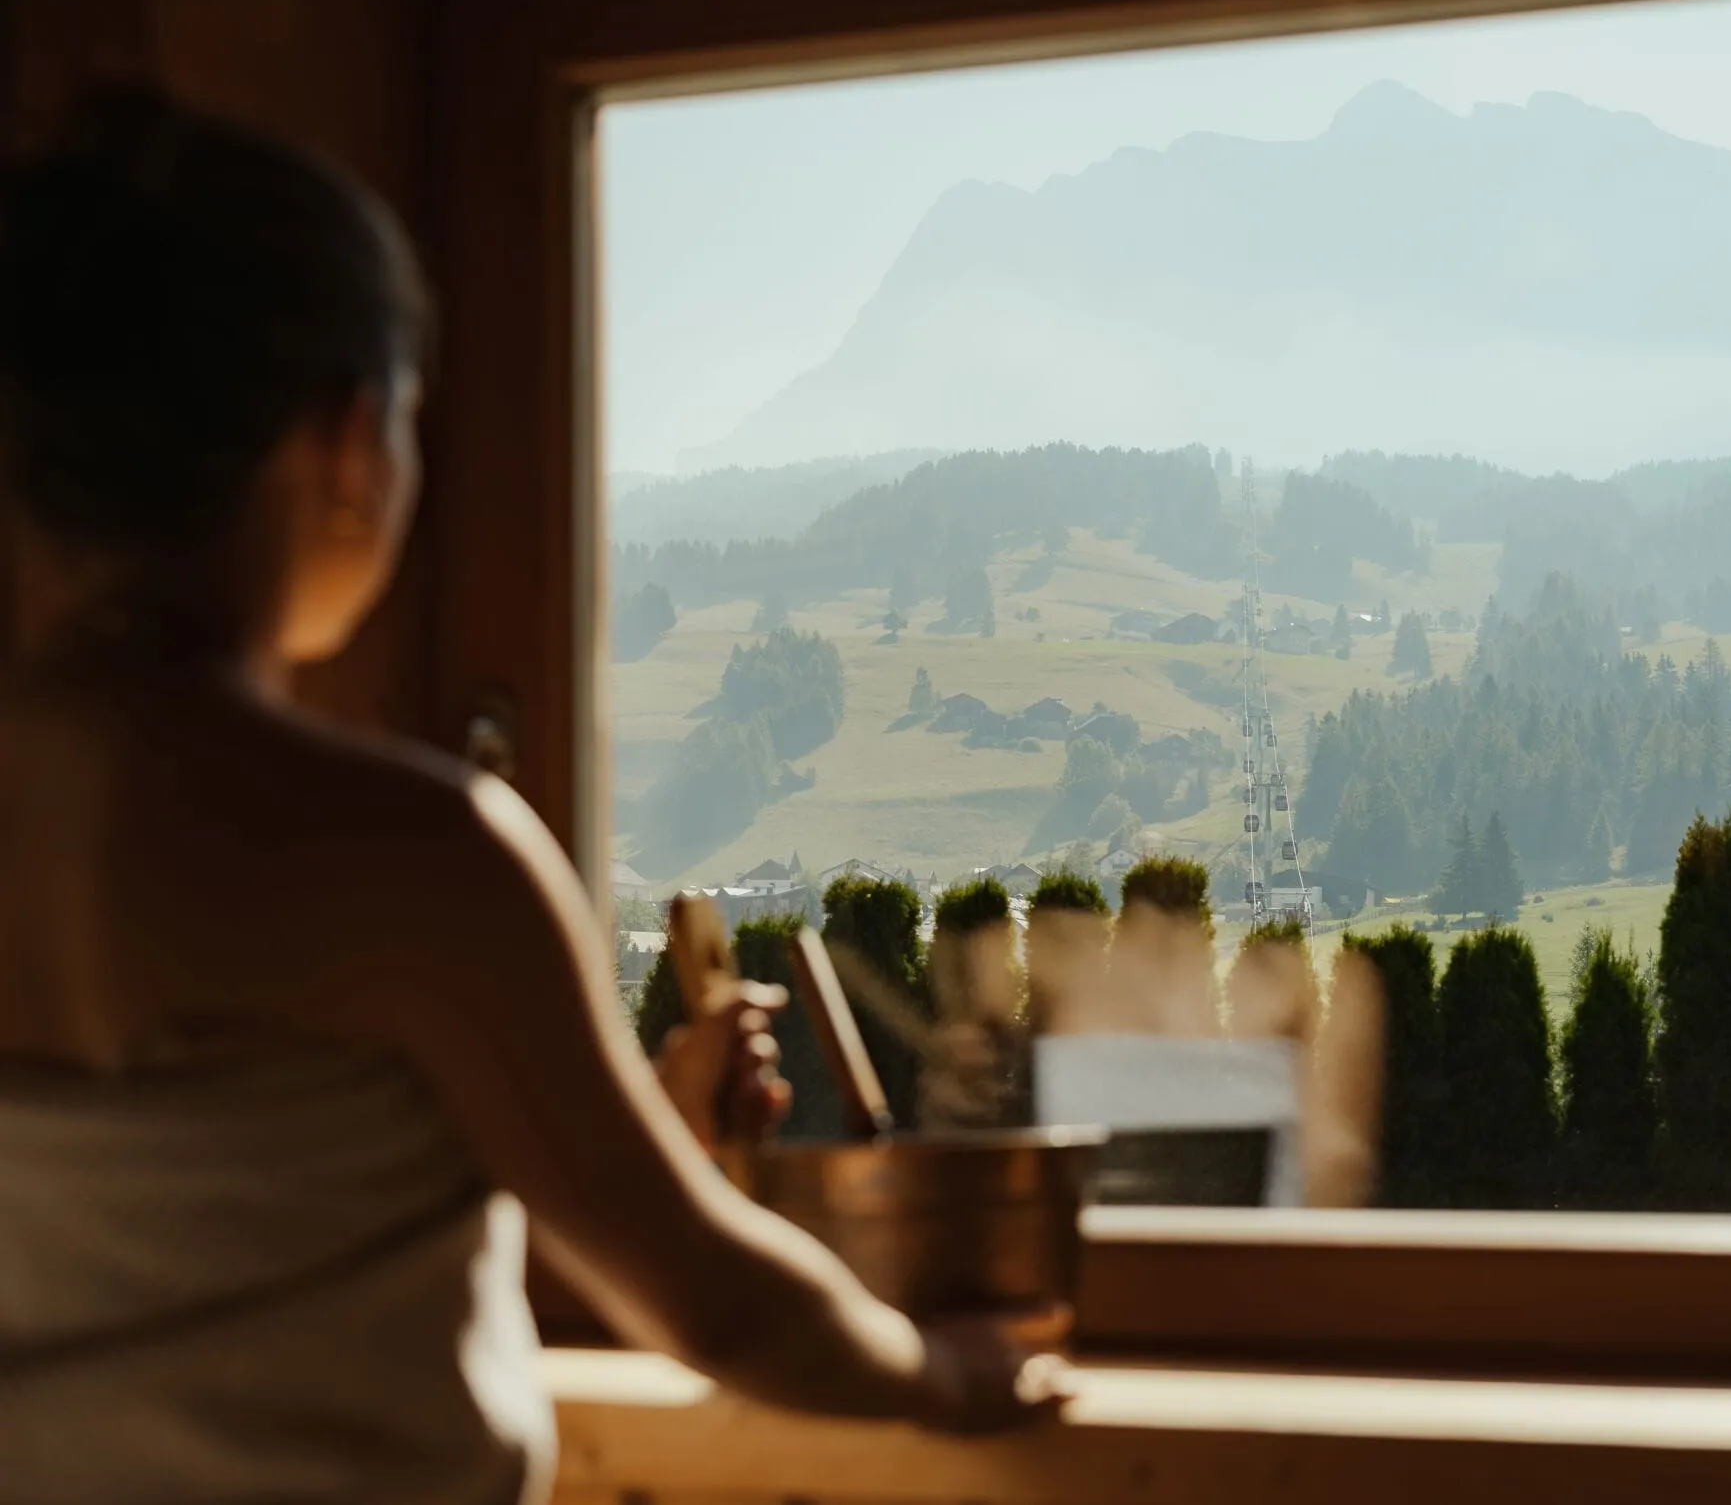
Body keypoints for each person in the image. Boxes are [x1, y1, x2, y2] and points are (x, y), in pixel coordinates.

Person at [0, 90, 1062, 1503]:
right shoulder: (411, 858)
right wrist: (949, 1375)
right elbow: (716, 1304)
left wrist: (640, 1124)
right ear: (347, 441)